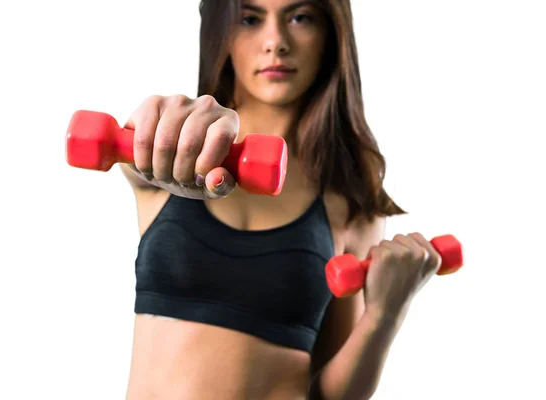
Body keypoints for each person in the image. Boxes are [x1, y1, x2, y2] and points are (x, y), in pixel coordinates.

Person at [119, 1, 443, 399]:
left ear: (330, 34)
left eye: (299, 17)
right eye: (251, 19)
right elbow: (140, 152)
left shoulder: (350, 202)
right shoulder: (176, 148)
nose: (276, 42)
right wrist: (154, 126)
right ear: (221, 34)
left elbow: (330, 394)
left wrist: (385, 314)